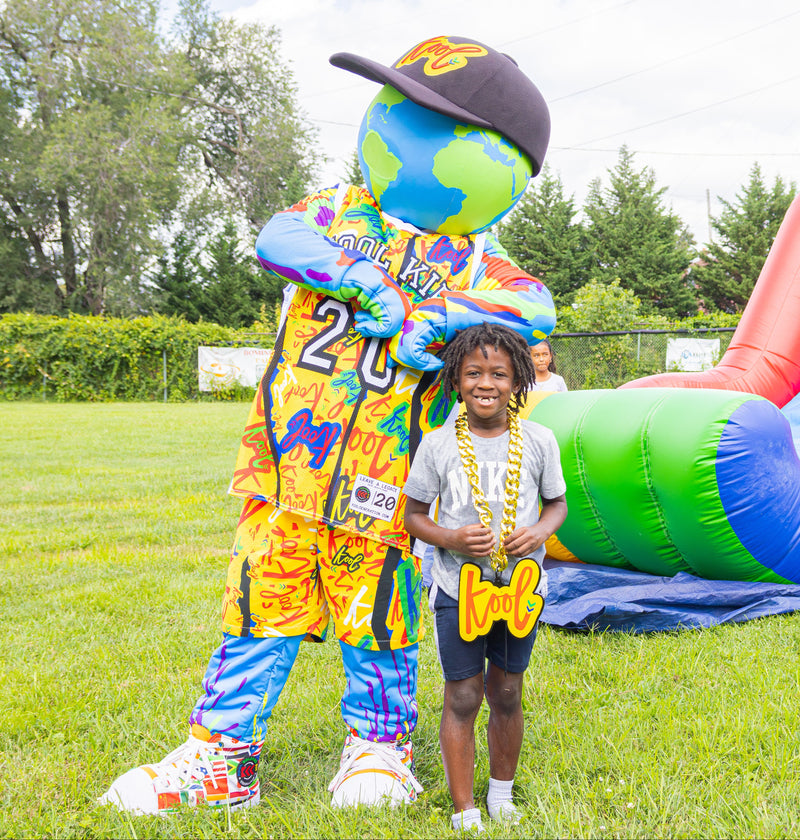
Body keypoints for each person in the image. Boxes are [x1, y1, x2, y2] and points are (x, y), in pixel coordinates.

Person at [100, 36, 558, 815]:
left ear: (496, 161)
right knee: (257, 611)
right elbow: (275, 238)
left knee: (378, 620)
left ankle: (378, 749)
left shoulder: (483, 264)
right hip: (285, 472)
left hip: (388, 487)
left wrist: (442, 315)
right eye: (398, 108)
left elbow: (537, 308)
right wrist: (360, 279)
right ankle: (222, 755)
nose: (395, 127)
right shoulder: (340, 213)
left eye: (427, 119)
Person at [403, 323, 567, 833]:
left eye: (499, 372)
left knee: (507, 690)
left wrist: (537, 530)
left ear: (519, 377)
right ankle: (464, 808)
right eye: (473, 372)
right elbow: (413, 515)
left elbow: (557, 505)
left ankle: (500, 794)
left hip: (520, 590)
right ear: (456, 378)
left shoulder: (539, 440)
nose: (486, 383)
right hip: (457, 590)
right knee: (464, 694)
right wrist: (449, 539)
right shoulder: (436, 444)